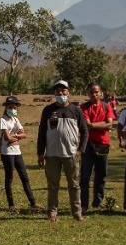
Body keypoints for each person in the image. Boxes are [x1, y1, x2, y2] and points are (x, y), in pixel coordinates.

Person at [37, 82, 88, 222]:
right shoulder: (48, 110)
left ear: (68, 93)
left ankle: (77, 212)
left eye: (63, 91)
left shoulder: (76, 110)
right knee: (53, 185)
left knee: (74, 185)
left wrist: (80, 150)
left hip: (71, 154)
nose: (61, 93)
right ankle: (52, 212)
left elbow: (84, 131)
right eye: (58, 91)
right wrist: (40, 152)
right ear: (55, 93)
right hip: (52, 154)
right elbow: (42, 132)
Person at [79, 82, 118, 216]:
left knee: (101, 174)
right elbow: (87, 125)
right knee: (85, 176)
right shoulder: (83, 107)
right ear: (88, 94)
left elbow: (110, 125)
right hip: (87, 145)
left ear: (101, 93)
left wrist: (93, 125)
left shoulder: (106, 106)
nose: (94, 94)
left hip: (103, 144)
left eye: (96, 92)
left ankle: (98, 201)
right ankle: (83, 204)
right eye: (91, 92)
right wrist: (103, 125)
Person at [0, 97, 39, 214]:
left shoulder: (16, 119)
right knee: (9, 178)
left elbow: (24, 134)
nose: (12, 109)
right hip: (7, 152)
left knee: (24, 177)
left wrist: (15, 137)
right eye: (10, 107)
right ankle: (11, 204)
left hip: (17, 151)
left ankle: (33, 202)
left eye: (14, 107)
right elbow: (7, 138)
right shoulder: (3, 120)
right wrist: (17, 136)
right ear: (6, 107)